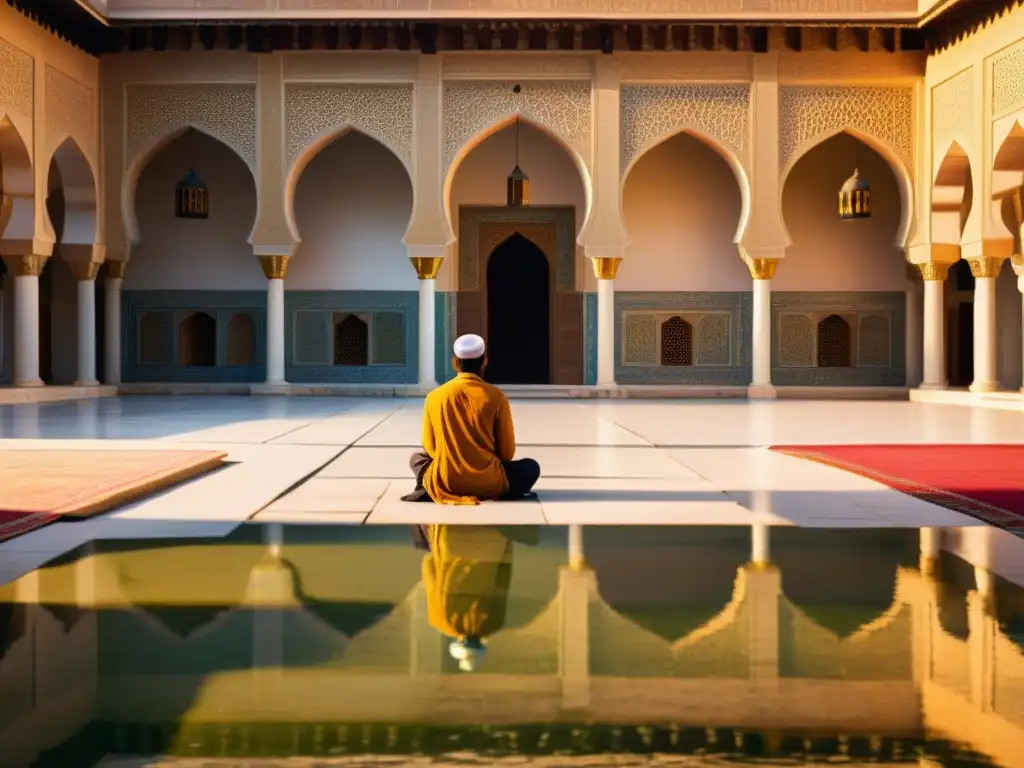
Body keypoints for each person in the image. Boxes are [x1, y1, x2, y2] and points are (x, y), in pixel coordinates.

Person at [402, 334, 541, 505]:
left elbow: (430, 447)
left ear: (455, 362)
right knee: (530, 468)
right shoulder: (496, 397)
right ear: (484, 361)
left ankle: (427, 486)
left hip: (447, 481)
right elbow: (506, 453)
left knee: (417, 459)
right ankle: (499, 490)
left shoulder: (434, 397)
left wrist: (454, 460)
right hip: (490, 482)